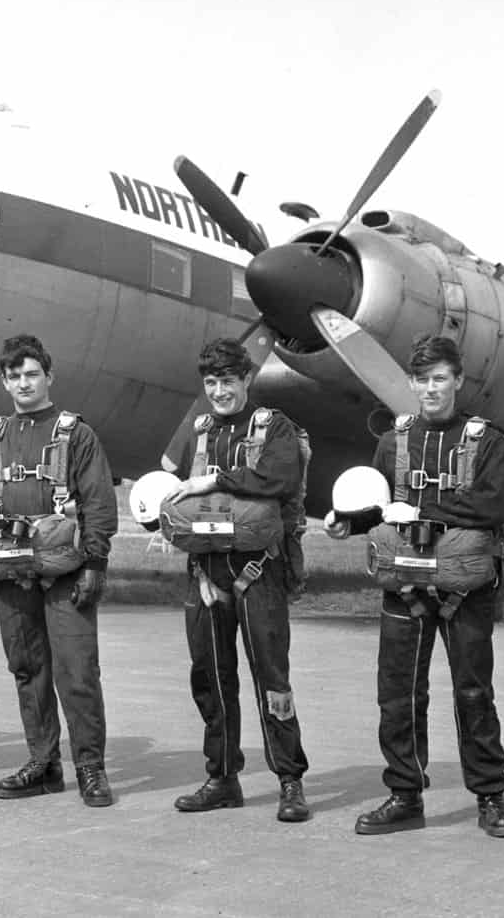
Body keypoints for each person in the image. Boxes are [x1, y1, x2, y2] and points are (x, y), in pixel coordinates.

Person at [337, 335, 504, 838]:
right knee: (397, 694)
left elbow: (493, 507)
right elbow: (377, 504)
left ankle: (491, 795)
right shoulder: (393, 441)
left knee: (474, 692)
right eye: (422, 380)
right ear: (412, 384)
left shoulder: (487, 442)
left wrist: (420, 509)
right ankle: (404, 794)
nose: (431, 388)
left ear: (458, 380)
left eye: (441, 378)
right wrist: (347, 521)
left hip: (466, 590)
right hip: (406, 588)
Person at [0, 334, 118, 806]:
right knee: (27, 668)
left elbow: (98, 502)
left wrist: (95, 563)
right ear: (4, 381)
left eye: (32, 374)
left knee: (77, 672)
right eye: (14, 376)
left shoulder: (76, 434)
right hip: (11, 574)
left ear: (49, 376)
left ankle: (91, 768)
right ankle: (43, 763)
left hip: (64, 574)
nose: (24, 383)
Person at [163, 338, 311, 822]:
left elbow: (279, 480)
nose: (220, 391)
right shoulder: (199, 432)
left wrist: (216, 480)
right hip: (206, 574)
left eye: (228, 381)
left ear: (247, 379)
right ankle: (222, 777)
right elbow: (176, 489)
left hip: (259, 572)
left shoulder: (273, 427)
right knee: (210, 678)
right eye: (211, 383)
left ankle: (289, 780)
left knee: (272, 678)